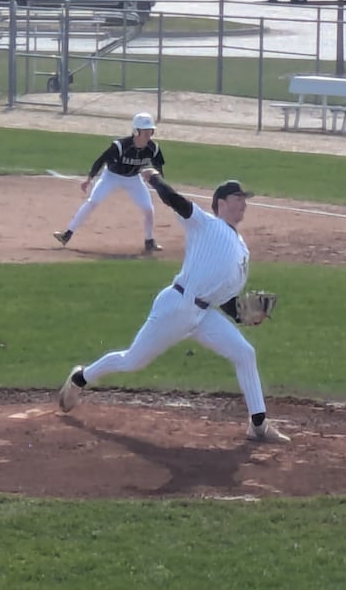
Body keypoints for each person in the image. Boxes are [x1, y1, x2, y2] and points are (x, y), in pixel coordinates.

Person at [57, 172, 291, 444]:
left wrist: (243, 316)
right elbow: (176, 201)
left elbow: (223, 298)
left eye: (244, 199)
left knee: (244, 352)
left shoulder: (241, 247)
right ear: (221, 202)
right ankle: (80, 378)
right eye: (238, 198)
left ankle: (258, 425)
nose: (244, 204)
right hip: (177, 306)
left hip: (203, 315)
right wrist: (155, 180)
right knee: (133, 361)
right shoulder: (205, 223)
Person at [53, 112, 165, 252]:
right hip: (111, 176)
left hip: (133, 179)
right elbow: (101, 160)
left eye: (151, 131)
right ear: (136, 131)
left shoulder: (153, 148)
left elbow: (159, 168)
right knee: (93, 201)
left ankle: (149, 241)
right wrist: (89, 178)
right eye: (146, 131)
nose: (149, 134)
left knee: (148, 209)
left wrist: (160, 184)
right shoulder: (120, 146)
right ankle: (67, 234)